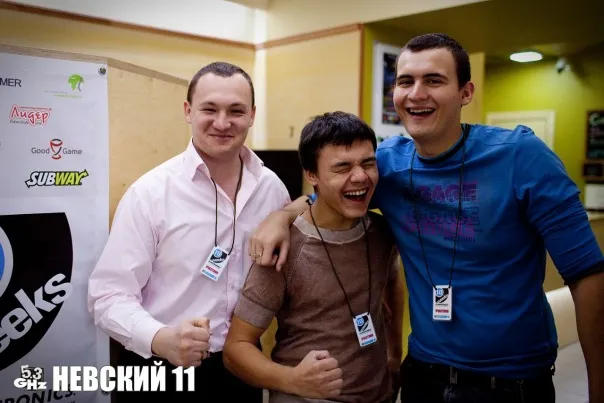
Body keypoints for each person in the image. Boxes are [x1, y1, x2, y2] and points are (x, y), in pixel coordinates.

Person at [248, 33, 604, 403]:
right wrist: (281, 217)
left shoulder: (522, 157)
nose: (417, 94)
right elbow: (324, 197)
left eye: (434, 80)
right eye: (406, 81)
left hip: (510, 384)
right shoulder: (386, 165)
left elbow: (587, 275)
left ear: (465, 92)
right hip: (423, 376)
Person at [88, 61, 291, 402]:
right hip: (157, 367)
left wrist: (288, 213)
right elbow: (107, 296)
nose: (222, 123)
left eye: (236, 111)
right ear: (188, 111)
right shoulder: (150, 193)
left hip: (241, 368)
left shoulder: (271, 189)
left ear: (252, 115)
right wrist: (160, 338)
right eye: (209, 109)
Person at [223, 111, 405, 403]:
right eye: (342, 167)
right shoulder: (284, 248)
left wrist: (394, 355)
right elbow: (236, 349)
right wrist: (292, 380)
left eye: (368, 163)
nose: (360, 176)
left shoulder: (382, 232)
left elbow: (392, 280)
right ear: (312, 175)